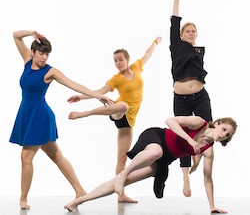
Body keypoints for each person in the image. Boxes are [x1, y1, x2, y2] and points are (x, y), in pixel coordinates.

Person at [9, 30, 112, 210]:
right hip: (27, 114)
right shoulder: (27, 60)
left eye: (47, 54)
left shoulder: (51, 72)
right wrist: (32, 32)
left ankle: (23, 199)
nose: (44, 57)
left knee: (26, 157)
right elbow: (16, 35)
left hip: (39, 117)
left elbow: (74, 84)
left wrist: (96, 95)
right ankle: (80, 190)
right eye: (41, 53)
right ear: (33, 52)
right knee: (56, 155)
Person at [64, 115, 237, 214]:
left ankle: (78, 201)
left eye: (227, 135)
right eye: (223, 129)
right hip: (157, 137)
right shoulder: (199, 122)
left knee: (122, 181)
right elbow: (170, 121)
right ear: (217, 124)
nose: (223, 135)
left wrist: (212, 206)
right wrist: (189, 140)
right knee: (155, 152)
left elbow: (208, 179)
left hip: (166, 158)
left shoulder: (209, 150)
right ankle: (123, 174)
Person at [67, 36, 162, 203]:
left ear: (127, 59)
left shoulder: (137, 67)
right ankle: (86, 113)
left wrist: (155, 42)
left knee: (122, 157)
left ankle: (121, 194)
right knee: (123, 106)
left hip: (130, 120)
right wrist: (81, 98)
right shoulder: (116, 79)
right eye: (115, 61)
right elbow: (100, 91)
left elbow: (148, 54)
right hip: (117, 111)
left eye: (120, 59)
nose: (118, 63)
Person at [169, 0, 213, 197]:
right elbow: (175, 20)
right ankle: (185, 178)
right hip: (182, 99)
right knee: (182, 135)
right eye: (187, 31)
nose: (190, 33)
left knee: (208, 129)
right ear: (181, 34)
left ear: (196, 35)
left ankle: (200, 156)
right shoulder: (176, 45)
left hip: (201, 96)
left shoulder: (197, 50)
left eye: (193, 31)